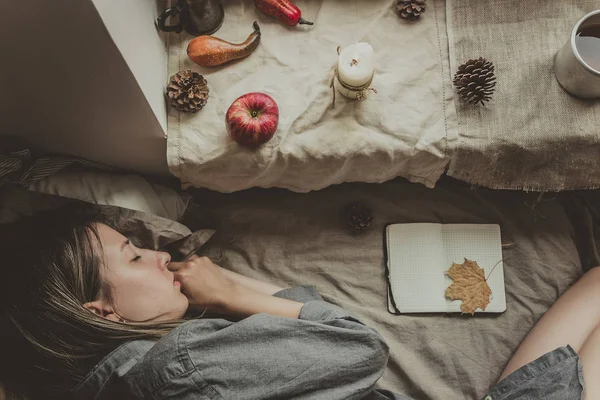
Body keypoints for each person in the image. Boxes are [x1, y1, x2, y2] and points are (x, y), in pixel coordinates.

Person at [0, 205, 591, 400]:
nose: (158, 255)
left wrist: (222, 291)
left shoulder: (120, 378)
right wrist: (229, 291)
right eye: (133, 257)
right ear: (95, 311)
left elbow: (301, 316)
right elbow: (359, 347)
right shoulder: (181, 367)